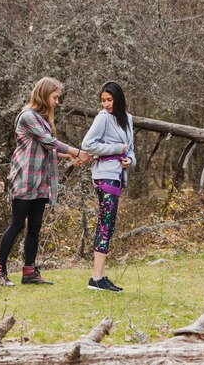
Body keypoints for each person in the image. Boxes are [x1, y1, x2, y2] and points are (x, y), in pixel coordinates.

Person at [0, 77, 91, 286]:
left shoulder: (41, 118)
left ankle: (29, 272)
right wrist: (77, 152)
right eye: (55, 97)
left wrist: (69, 157)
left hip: (41, 181)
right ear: (44, 94)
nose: (57, 102)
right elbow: (49, 141)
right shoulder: (28, 116)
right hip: (25, 179)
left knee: (35, 226)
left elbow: (46, 149)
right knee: (17, 224)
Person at [81, 81, 136, 292]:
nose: (105, 104)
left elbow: (130, 150)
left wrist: (129, 160)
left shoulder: (128, 119)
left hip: (118, 175)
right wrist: (116, 148)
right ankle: (96, 278)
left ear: (118, 99)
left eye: (109, 100)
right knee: (105, 223)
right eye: (103, 100)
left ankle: (100, 276)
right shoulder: (102, 118)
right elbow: (88, 144)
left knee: (109, 223)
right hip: (104, 174)